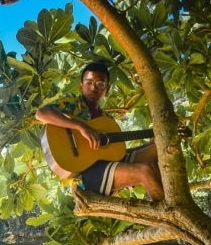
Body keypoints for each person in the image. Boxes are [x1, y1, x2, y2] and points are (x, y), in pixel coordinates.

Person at [35, 62, 164, 201]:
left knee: (162, 145)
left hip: (111, 165)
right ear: (81, 85)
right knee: (144, 171)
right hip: (89, 174)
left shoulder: (106, 119)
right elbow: (41, 113)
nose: (93, 88)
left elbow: (118, 154)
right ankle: (169, 216)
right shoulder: (72, 103)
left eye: (100, 84)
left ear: (107, 89)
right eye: (89, 82)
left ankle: (170, 204)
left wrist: (154, 141)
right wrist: (80, 126)